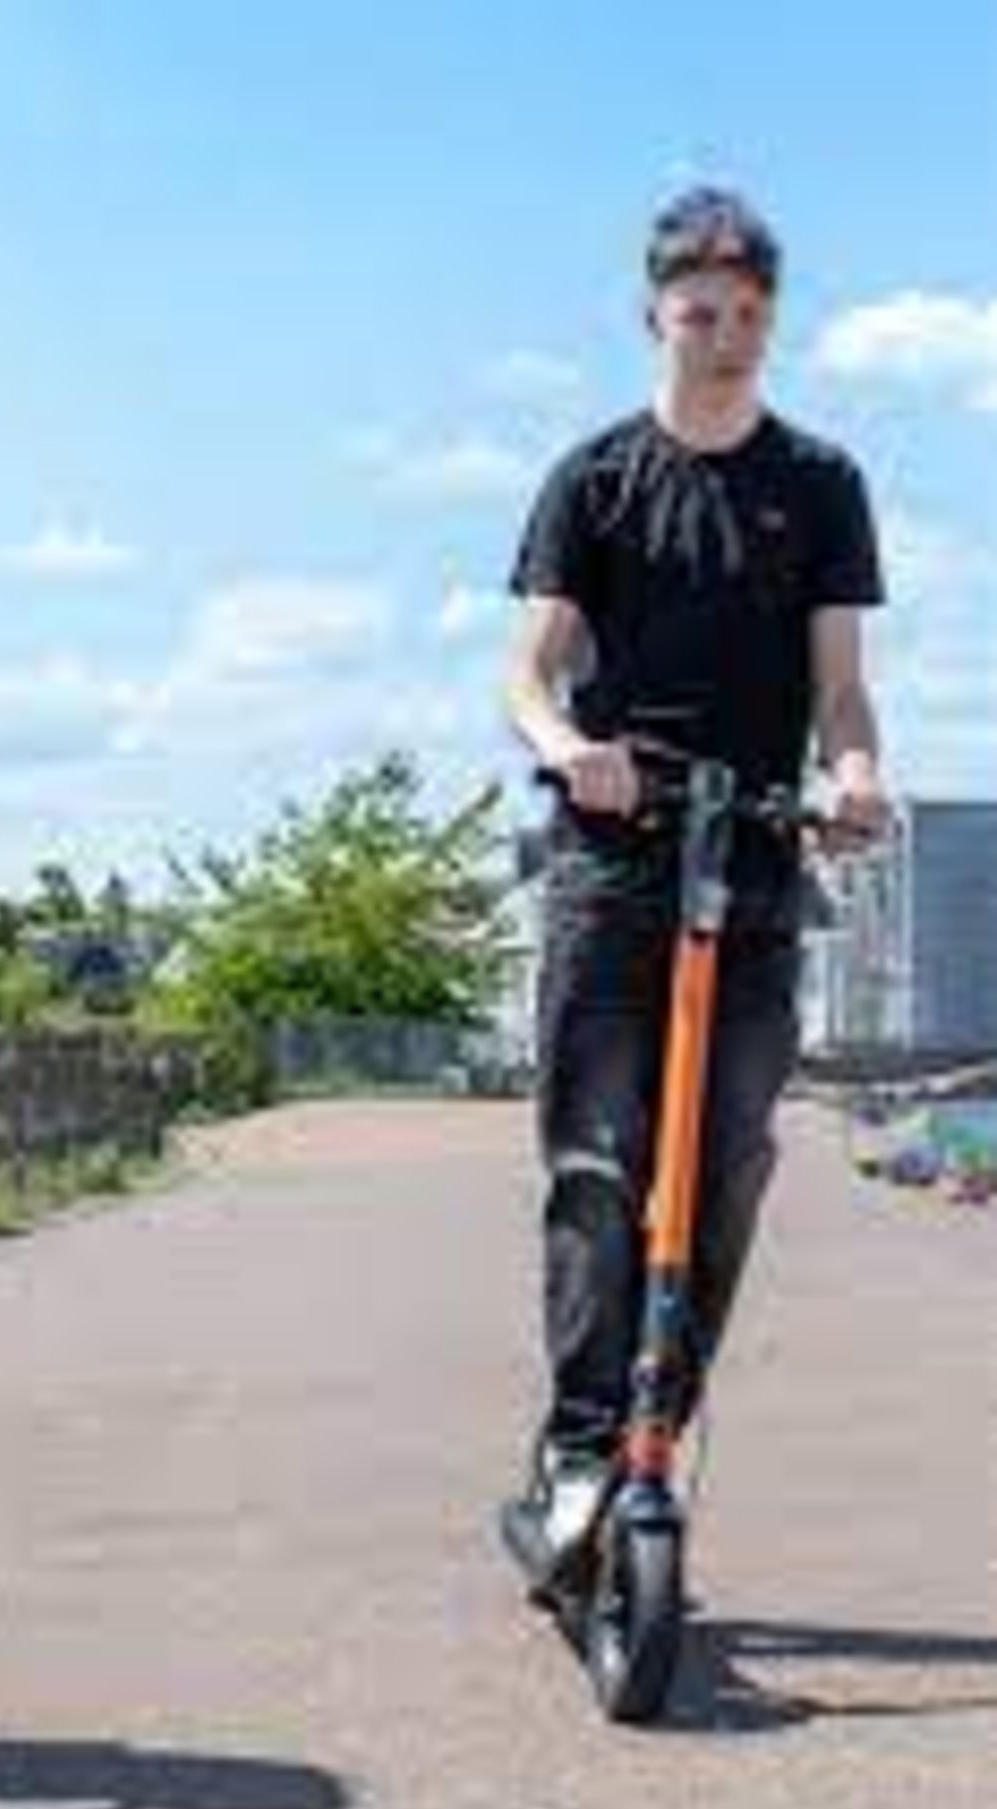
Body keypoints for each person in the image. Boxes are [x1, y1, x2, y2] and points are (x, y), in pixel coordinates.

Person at [499, 186, 889, 1578]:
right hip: (615, 866)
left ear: (771, 320)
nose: (725, 339)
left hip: (759, 864)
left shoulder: (822, 484)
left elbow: (843, 693)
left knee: (722, 1173)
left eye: (748, 317)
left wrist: (851, 776)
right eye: (699, 314)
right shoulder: (595, 480)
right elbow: (530, 672)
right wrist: (568, 749)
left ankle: (656, 1437)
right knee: (600, 1164)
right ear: (654, 316)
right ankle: (580, 1444)